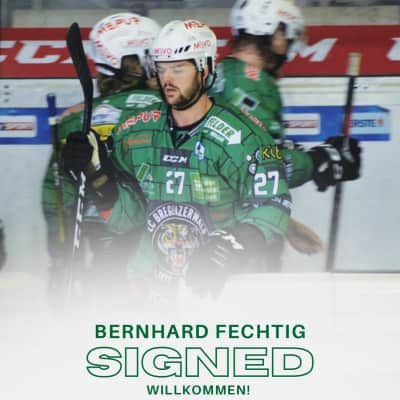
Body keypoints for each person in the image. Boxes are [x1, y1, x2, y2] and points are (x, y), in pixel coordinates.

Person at [62, 19, 292, 299]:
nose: (167, 80)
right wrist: (97, 174)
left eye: (178, 69)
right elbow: (128, 219)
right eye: (161, 69)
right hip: (147, 288)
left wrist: (230, 246)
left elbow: (273, 205)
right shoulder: (135, 130)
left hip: (217, 290)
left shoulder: (247, 135)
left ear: (205, 69)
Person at [211, 0, 361, 255]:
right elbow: (258, 165)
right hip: (234, 238)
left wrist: (287, 226)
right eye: (288, 39)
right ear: (276, 33)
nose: (288, 50)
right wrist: (320, 160)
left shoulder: (223, 72)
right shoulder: (252, 83)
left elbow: (232, 171)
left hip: (221, 221)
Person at [41, 13, 161, 300]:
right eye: (154, 58)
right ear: (131, 63)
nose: (161, 67)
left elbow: (56, 199)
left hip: (97, 246)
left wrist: (60, 262)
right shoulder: (168, 109)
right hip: (154, 244)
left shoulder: (74, 118)